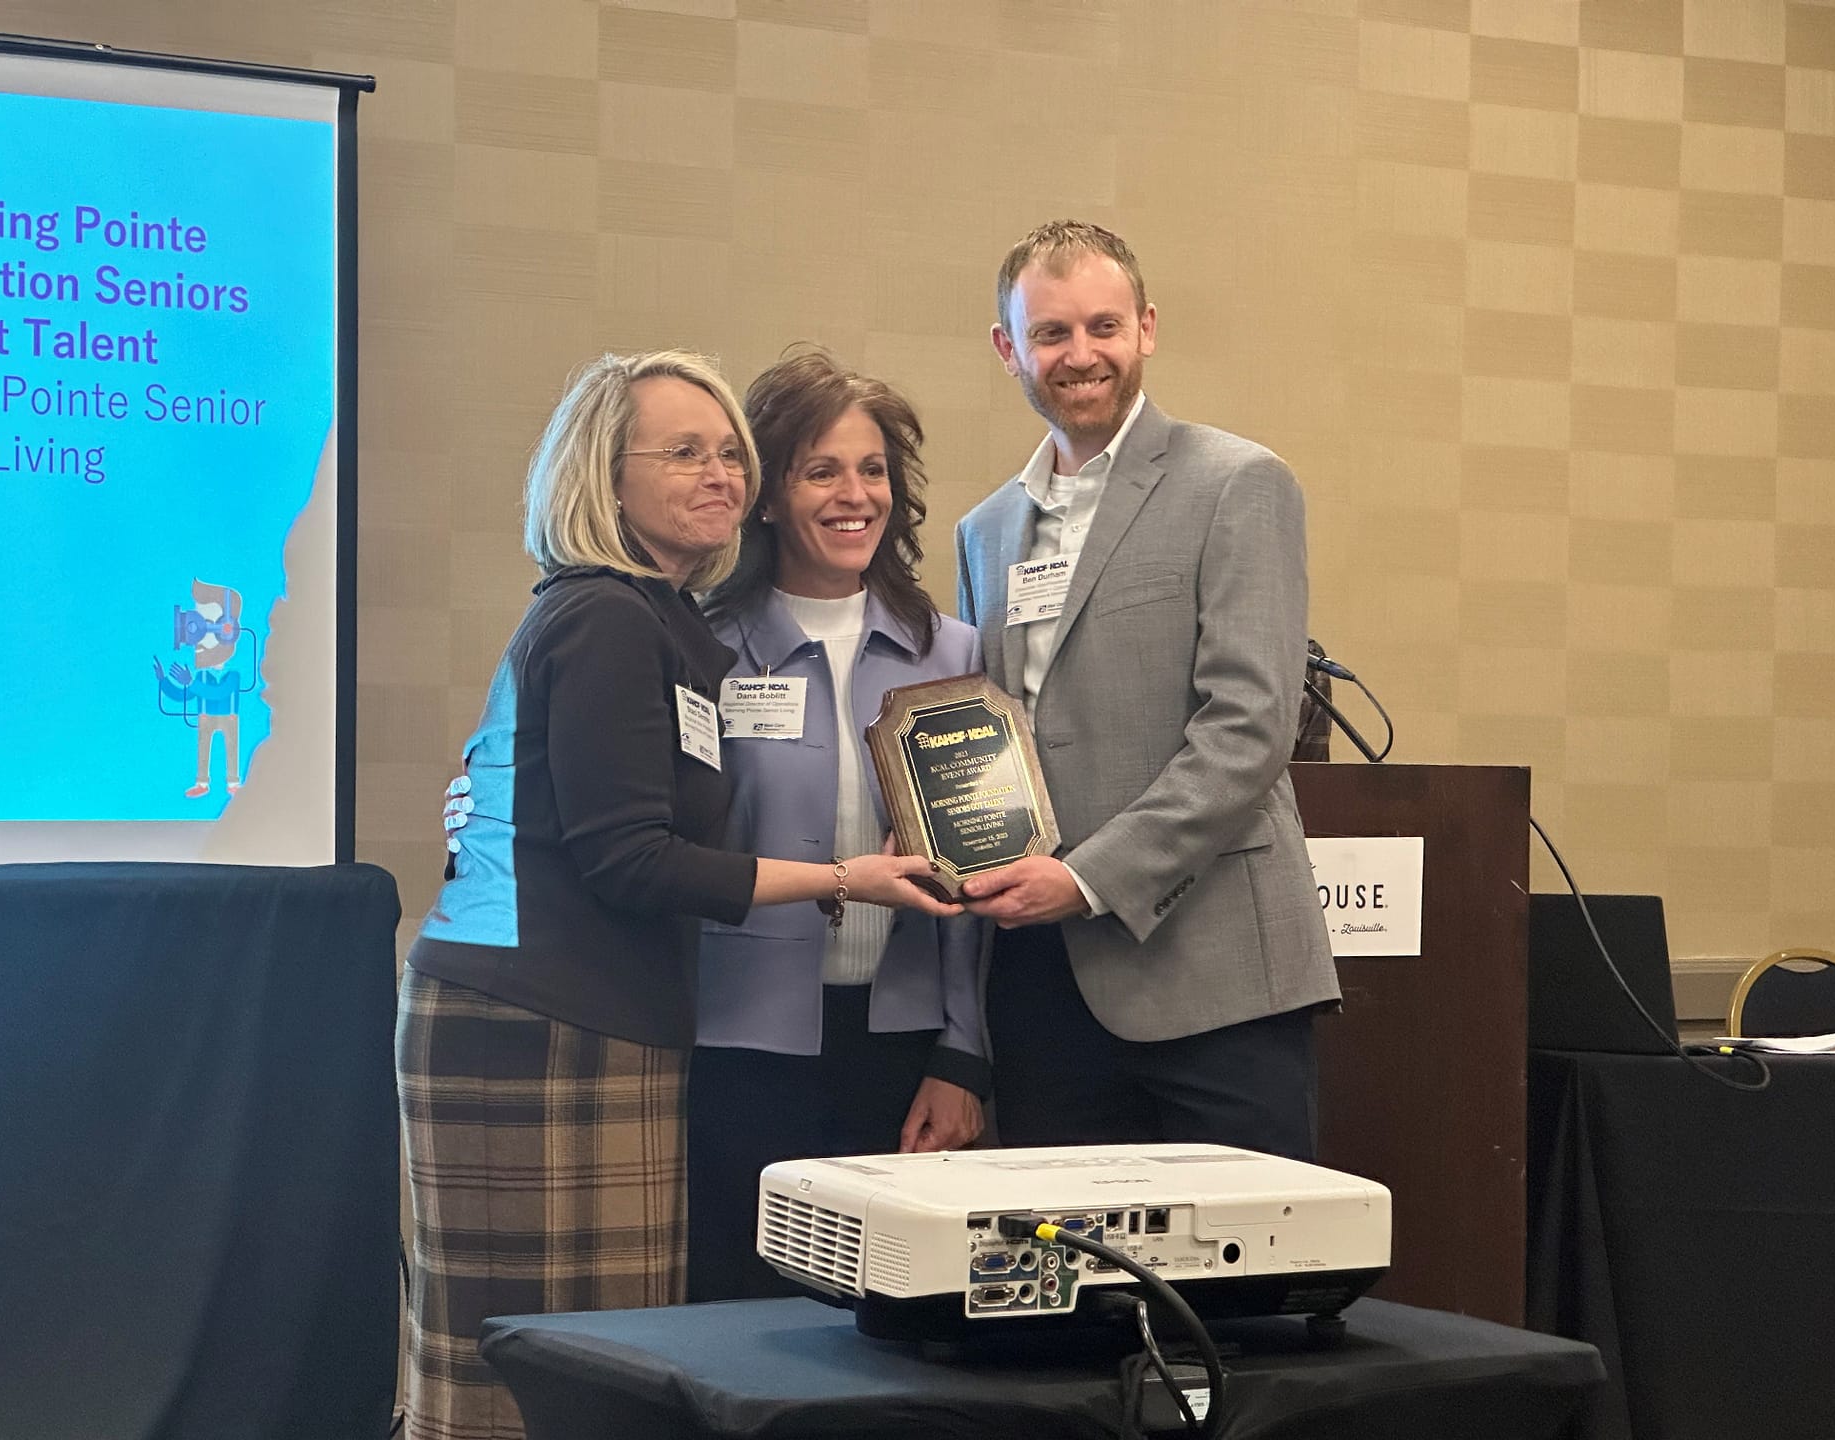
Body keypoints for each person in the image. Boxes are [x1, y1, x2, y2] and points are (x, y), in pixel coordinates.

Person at [396, 350, 955, 1440]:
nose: (721, 475)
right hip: (537, 1035)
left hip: (602, 1021)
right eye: (685, 452)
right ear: (607, 480)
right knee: (525, 1382)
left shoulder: (657, 619)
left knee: (602, 1365)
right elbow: (631, 861)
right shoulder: (605, 615)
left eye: (730, 453)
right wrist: (845, 879)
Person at [954, 221, 1340, 1157]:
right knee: (1066, 1289)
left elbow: (1248, 733)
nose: (1080, 355)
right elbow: (982, 736)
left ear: (1147, 329)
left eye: (1103, 326)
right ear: (1009, 349)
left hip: (1214, 975)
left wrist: (1087, 880)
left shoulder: (1237, 483)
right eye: (1051, 334)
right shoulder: (986, 532)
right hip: (1042, 989)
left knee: (1245, 1288)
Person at [687, 347, 988, 1302]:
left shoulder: (953, 652)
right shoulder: (701, 645)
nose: (852, 494)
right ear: (767, 495)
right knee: (744, 1320)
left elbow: (982, 877)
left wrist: (963, 1059)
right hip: (738, 1047)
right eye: (821, 470)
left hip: (903, 1050)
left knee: (890, 1325)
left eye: (872, 470)